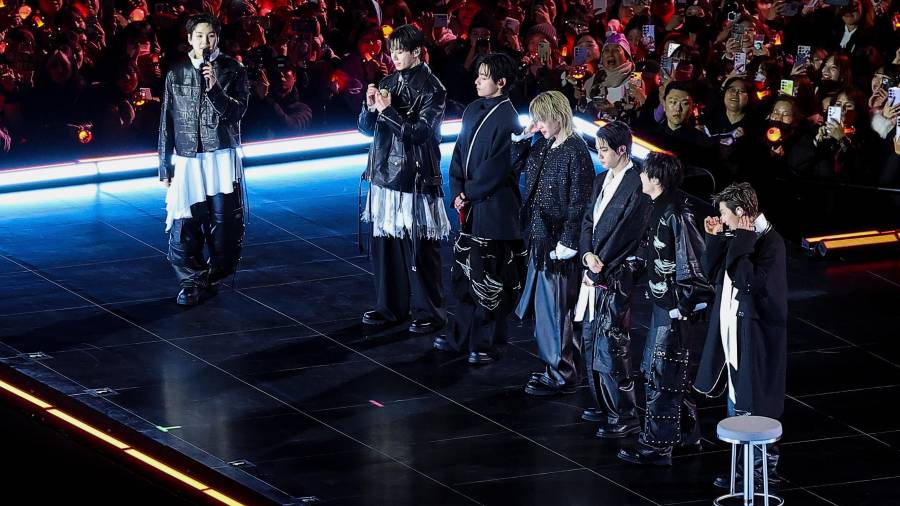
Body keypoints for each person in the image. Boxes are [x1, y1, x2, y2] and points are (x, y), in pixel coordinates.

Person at [617, 152, 712, 466]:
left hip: (672, 308)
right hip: (665, 304)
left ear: (656, 178)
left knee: (663, 373)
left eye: (644, 173)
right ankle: (687, 434)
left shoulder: (675, 211)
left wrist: (678, 304)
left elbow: (691, 261)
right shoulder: (658, 206)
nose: (640, 177)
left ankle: (657, 446)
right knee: (671, 372)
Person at [694, 182, 787, 488]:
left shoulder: (770, 242)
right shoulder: (740, 236)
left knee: (755, 401)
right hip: (732, 330)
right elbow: (713, 272)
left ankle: (762, 474)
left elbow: (747, 282)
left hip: (756, 336)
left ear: (739, 212)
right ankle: (742, 470)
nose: (720, 219)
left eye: (723, 214)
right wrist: (716, 240)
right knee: (737, 400)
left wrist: (742, 240)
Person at [358, 24, 451, 334]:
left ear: (416, 52)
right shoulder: (387, 80)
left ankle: (431, 310)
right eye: (392, 50)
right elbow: (365, 129)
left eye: (400, 50)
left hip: (415, 176)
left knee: (421, 247)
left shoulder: (432, 87)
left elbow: (420, 133)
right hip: (384, 172)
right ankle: (390, 307)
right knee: (385, 243)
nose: (394, 56)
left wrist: (387, 111)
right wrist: (369, 107)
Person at [439, 53, 526, 364]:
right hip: (472, 205)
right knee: (464, 273)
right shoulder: (473, 109)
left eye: (484, 76)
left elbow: (498, 167)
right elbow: (460, 152)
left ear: (500, 82)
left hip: (494, 210)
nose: (476, 80)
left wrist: (469, 193)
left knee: (491, 278)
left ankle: (488, 343)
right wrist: (457, 189)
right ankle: (459, 336)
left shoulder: (509, 120)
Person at [158, 13, 249, 306]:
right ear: (189, 39)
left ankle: (213, 275)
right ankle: (191, 280)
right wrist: (163, 165)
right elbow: (166, 122)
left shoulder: (232, 70)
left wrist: (215, 90)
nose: (204, 42)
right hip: (187, 156)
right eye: (199, 36)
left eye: (210, 36)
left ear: (217, 38)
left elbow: (237, 113)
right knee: (185, 220)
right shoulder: (177, 73)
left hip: (220, 153)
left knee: (224, 223)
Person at [514, 90, 594, 396]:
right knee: (551, 310)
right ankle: (560, 366)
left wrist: (569, 240)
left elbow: (580, 202)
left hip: (559, 244)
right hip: (540, 237)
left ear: (558, 117)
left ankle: (561, 372)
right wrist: (524, 138)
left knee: (557, 310)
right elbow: (516, 166)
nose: (538, 124)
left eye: (541, 119)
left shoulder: (575, 151)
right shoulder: (543, 145)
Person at [573, 121, 650, 438]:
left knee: (611, 341)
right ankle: (602, 402)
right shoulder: (602, 178)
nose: (599, 154)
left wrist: (600, 262)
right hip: (595, 267)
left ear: (623, 150)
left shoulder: (638, 183)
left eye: (605, 149)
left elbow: (628, 232)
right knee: (590, 335)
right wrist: (586, 253)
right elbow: (588, 219)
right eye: (598, 148)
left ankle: (624, 411)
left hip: (615, 272)